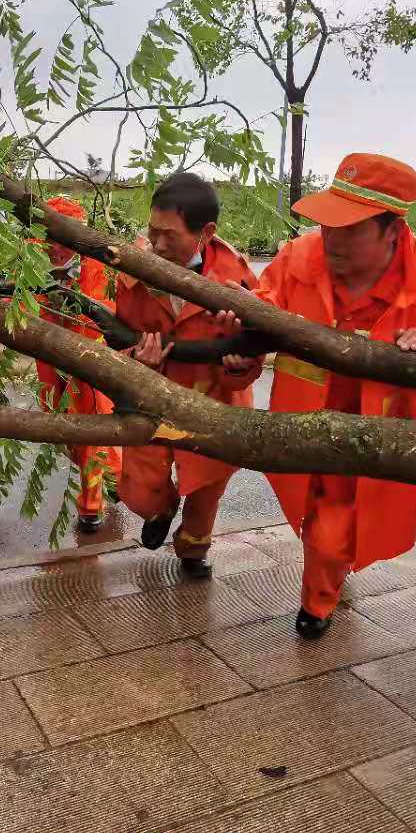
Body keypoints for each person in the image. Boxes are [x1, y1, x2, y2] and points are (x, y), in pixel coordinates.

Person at [257, 153, 416, 639]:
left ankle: (316, 602)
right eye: (328, 225)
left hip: (373, 437)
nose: (332, 238)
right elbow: (257, 312)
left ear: (392, 230)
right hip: (303, 421)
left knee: (332, 528)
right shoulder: (296, 259)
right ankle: (328, 575)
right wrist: (241, 347)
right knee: (316, 517)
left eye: (350, 230)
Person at [113, 172, 263, 577]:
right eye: (152, 232)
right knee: (140, 488)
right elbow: (115, 338)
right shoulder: (131, 269)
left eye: (170, 236)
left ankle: (193, 551)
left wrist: (239, 364)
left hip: (213, 402)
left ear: (206, 232)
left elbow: (252, 357)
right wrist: (136, 360)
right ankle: (160, 508)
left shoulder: (237, 279)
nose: (157, 245)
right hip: (152, 396)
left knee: (206, 488)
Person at [33, 196, 122, 532]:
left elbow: (101, 313)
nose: (54, 249)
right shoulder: (32, 255)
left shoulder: (95, 263)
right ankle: (114, 475)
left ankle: (90, 505)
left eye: (61, 241)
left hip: (88, 356)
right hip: (49, 352)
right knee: (59, 425)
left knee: (89, 429)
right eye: (49, 240)